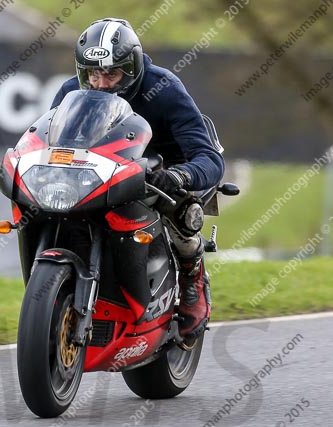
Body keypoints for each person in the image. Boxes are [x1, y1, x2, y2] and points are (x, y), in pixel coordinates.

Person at [50, 17, 225, 345]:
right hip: (101, 170)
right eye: (92, 73)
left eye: (111, 73)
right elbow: (49, 141)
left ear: (130, 70)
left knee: (181, 210)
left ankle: (192, 275)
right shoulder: (71, 91)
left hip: (160, 170)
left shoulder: (164, 88)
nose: (100, 83)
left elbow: (209, 158)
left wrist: (178, 175)